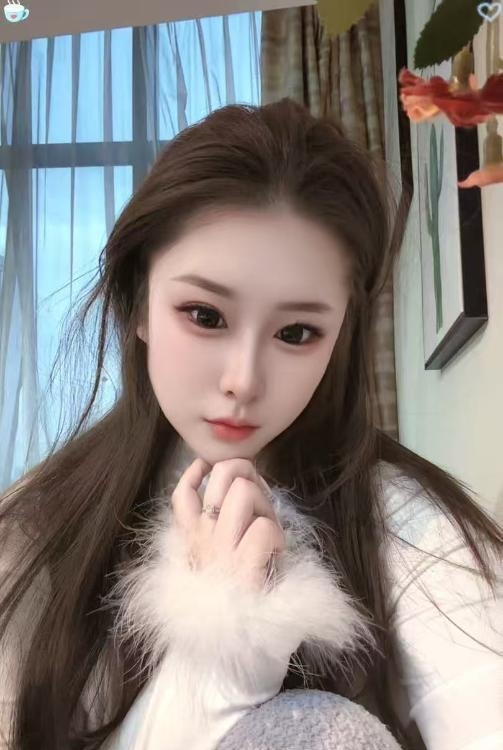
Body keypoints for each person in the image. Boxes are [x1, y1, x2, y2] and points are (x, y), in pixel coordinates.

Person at [0, 97, 501, 750]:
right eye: (205, 316)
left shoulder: (406, 525)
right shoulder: (37, 526)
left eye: (296, 332)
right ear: (140, 304)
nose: (243, 379)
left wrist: (231, 652)